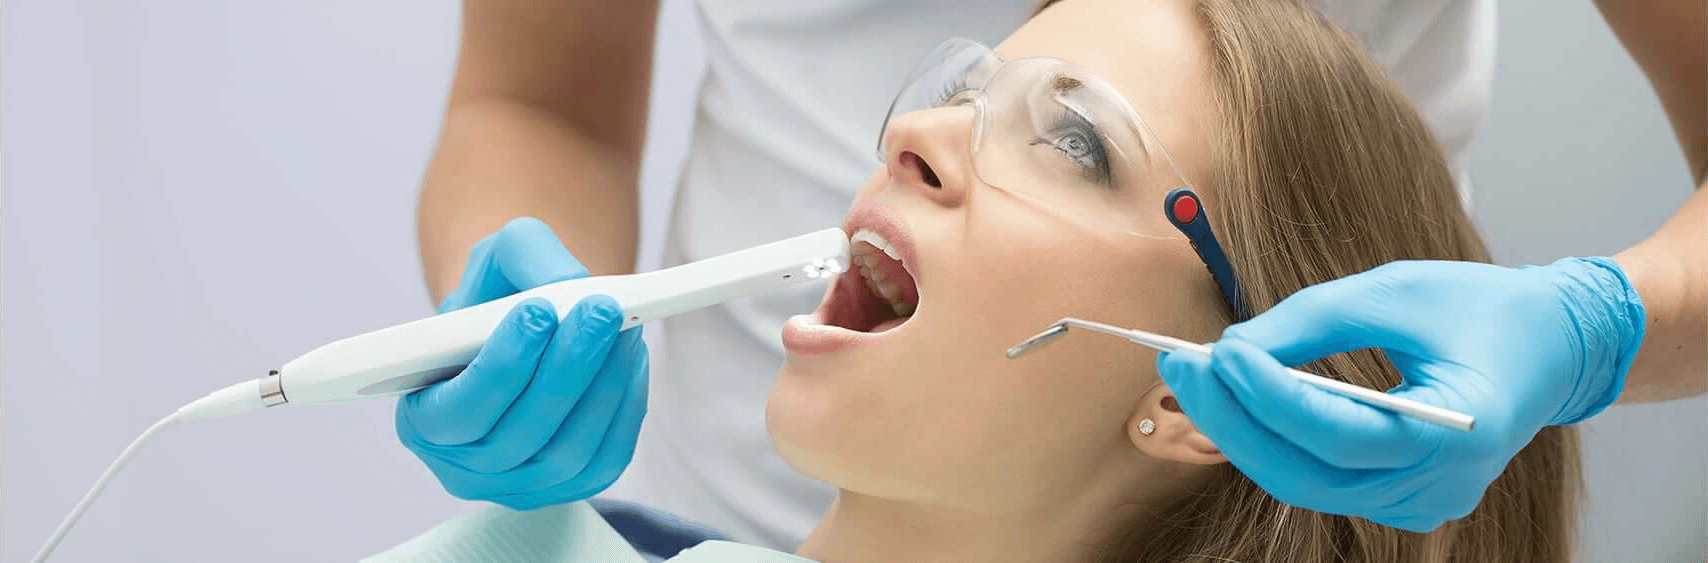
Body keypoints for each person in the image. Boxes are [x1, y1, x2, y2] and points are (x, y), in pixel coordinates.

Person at [400, 0, 1703, 552]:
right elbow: (540, 101)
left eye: (1075, 141)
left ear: (1192, 396)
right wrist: (508, 315)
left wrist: (1590, 329)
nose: (907, 134)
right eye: (960, 88)